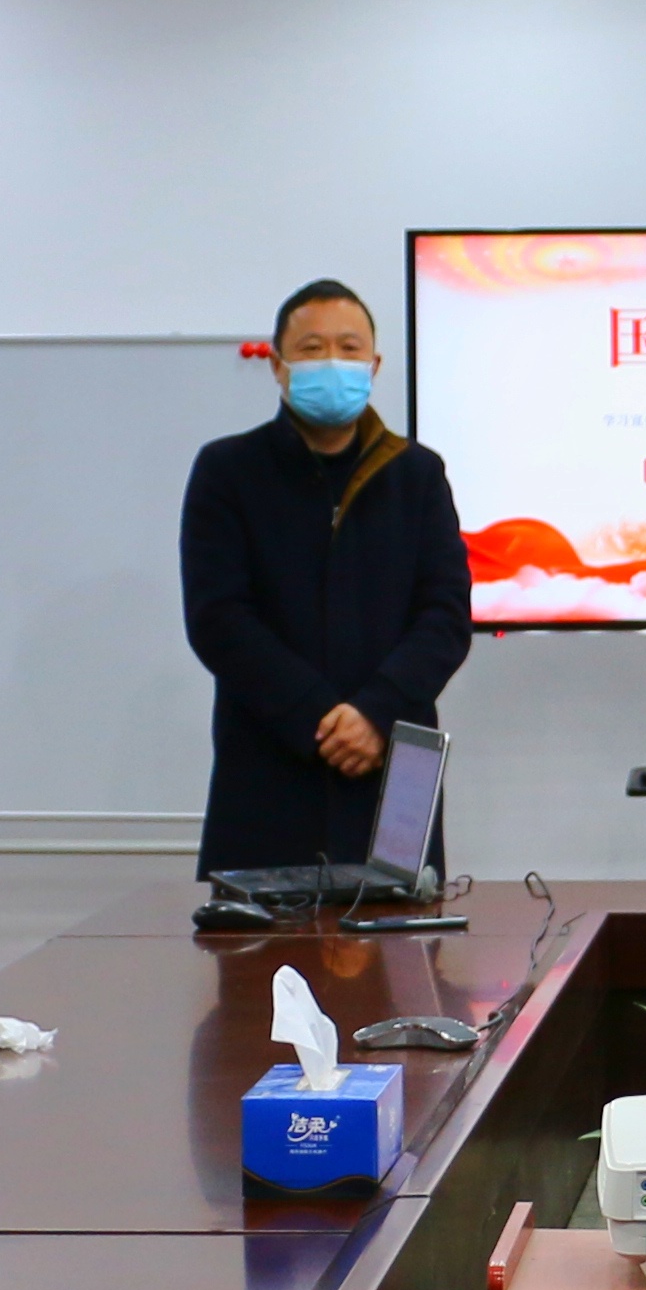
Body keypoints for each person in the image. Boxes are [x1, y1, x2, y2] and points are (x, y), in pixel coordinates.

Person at [181, 277, 469, 876]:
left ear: (374, 365)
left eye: (348, 348)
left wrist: (374, 714)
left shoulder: (417, 474)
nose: (331, 362)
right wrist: (320, 719)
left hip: (396, 758)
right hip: (269, 758)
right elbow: (218, 620)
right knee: (262, 933)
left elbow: (445, 617)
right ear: (278, 366)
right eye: (312, 349)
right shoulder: (228, 471)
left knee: (405, 929)